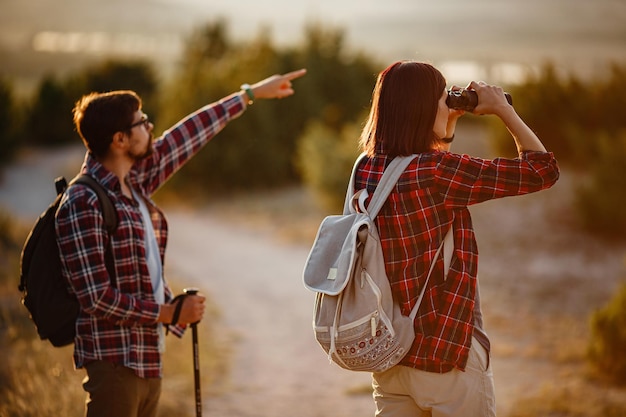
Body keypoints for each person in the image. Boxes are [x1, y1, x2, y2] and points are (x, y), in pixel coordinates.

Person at [55, 68, 306, 417]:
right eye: (142, 123)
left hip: (146, 358)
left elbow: (187, 135)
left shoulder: (134, 183)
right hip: (113, 364)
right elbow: (96, 298)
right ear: (120, 140)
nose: (151, 128)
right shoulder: (85, 201)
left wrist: (249, 94)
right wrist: (169, 313)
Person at [353, 61, 559, 416]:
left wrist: (445, 127)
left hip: (390, 357)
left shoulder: (365, 168)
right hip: (447, 355)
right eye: (442, 98)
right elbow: (542, 170)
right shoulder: (438, 172)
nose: (448, 103)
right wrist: (503, 111)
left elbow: (418, 179)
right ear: (421, 108)